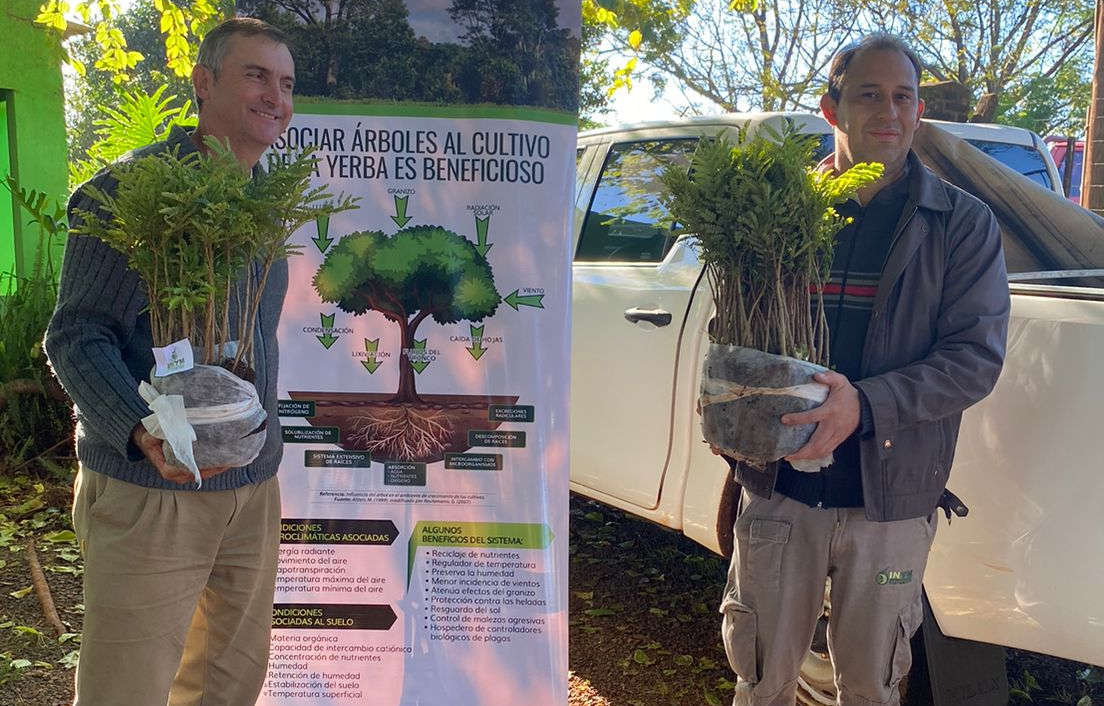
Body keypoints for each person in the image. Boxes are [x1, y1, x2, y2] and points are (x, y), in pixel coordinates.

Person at [717, 34, 1010, 706]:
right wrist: (728, 405)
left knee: (872, 689)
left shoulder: (960, 224)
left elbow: (975, 359)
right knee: (760, 682)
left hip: (891, 501)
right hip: (779, 491)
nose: (890, 111)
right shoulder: (778, 217)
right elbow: (732, 328)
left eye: (903, 97)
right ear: (831, 108)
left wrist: (865, 405)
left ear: (918, 111)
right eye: (870, 94)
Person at [45, 17, 295, 705]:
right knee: (126, 689)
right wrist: (139, 428)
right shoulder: (126, 194)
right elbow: (76, 335)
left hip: (251, 486)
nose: (276, 96)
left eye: (286, 83)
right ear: (203, 82)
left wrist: (258, 451)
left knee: (228, 683)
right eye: (256, 75)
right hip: (151, 490)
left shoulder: (266, 202)